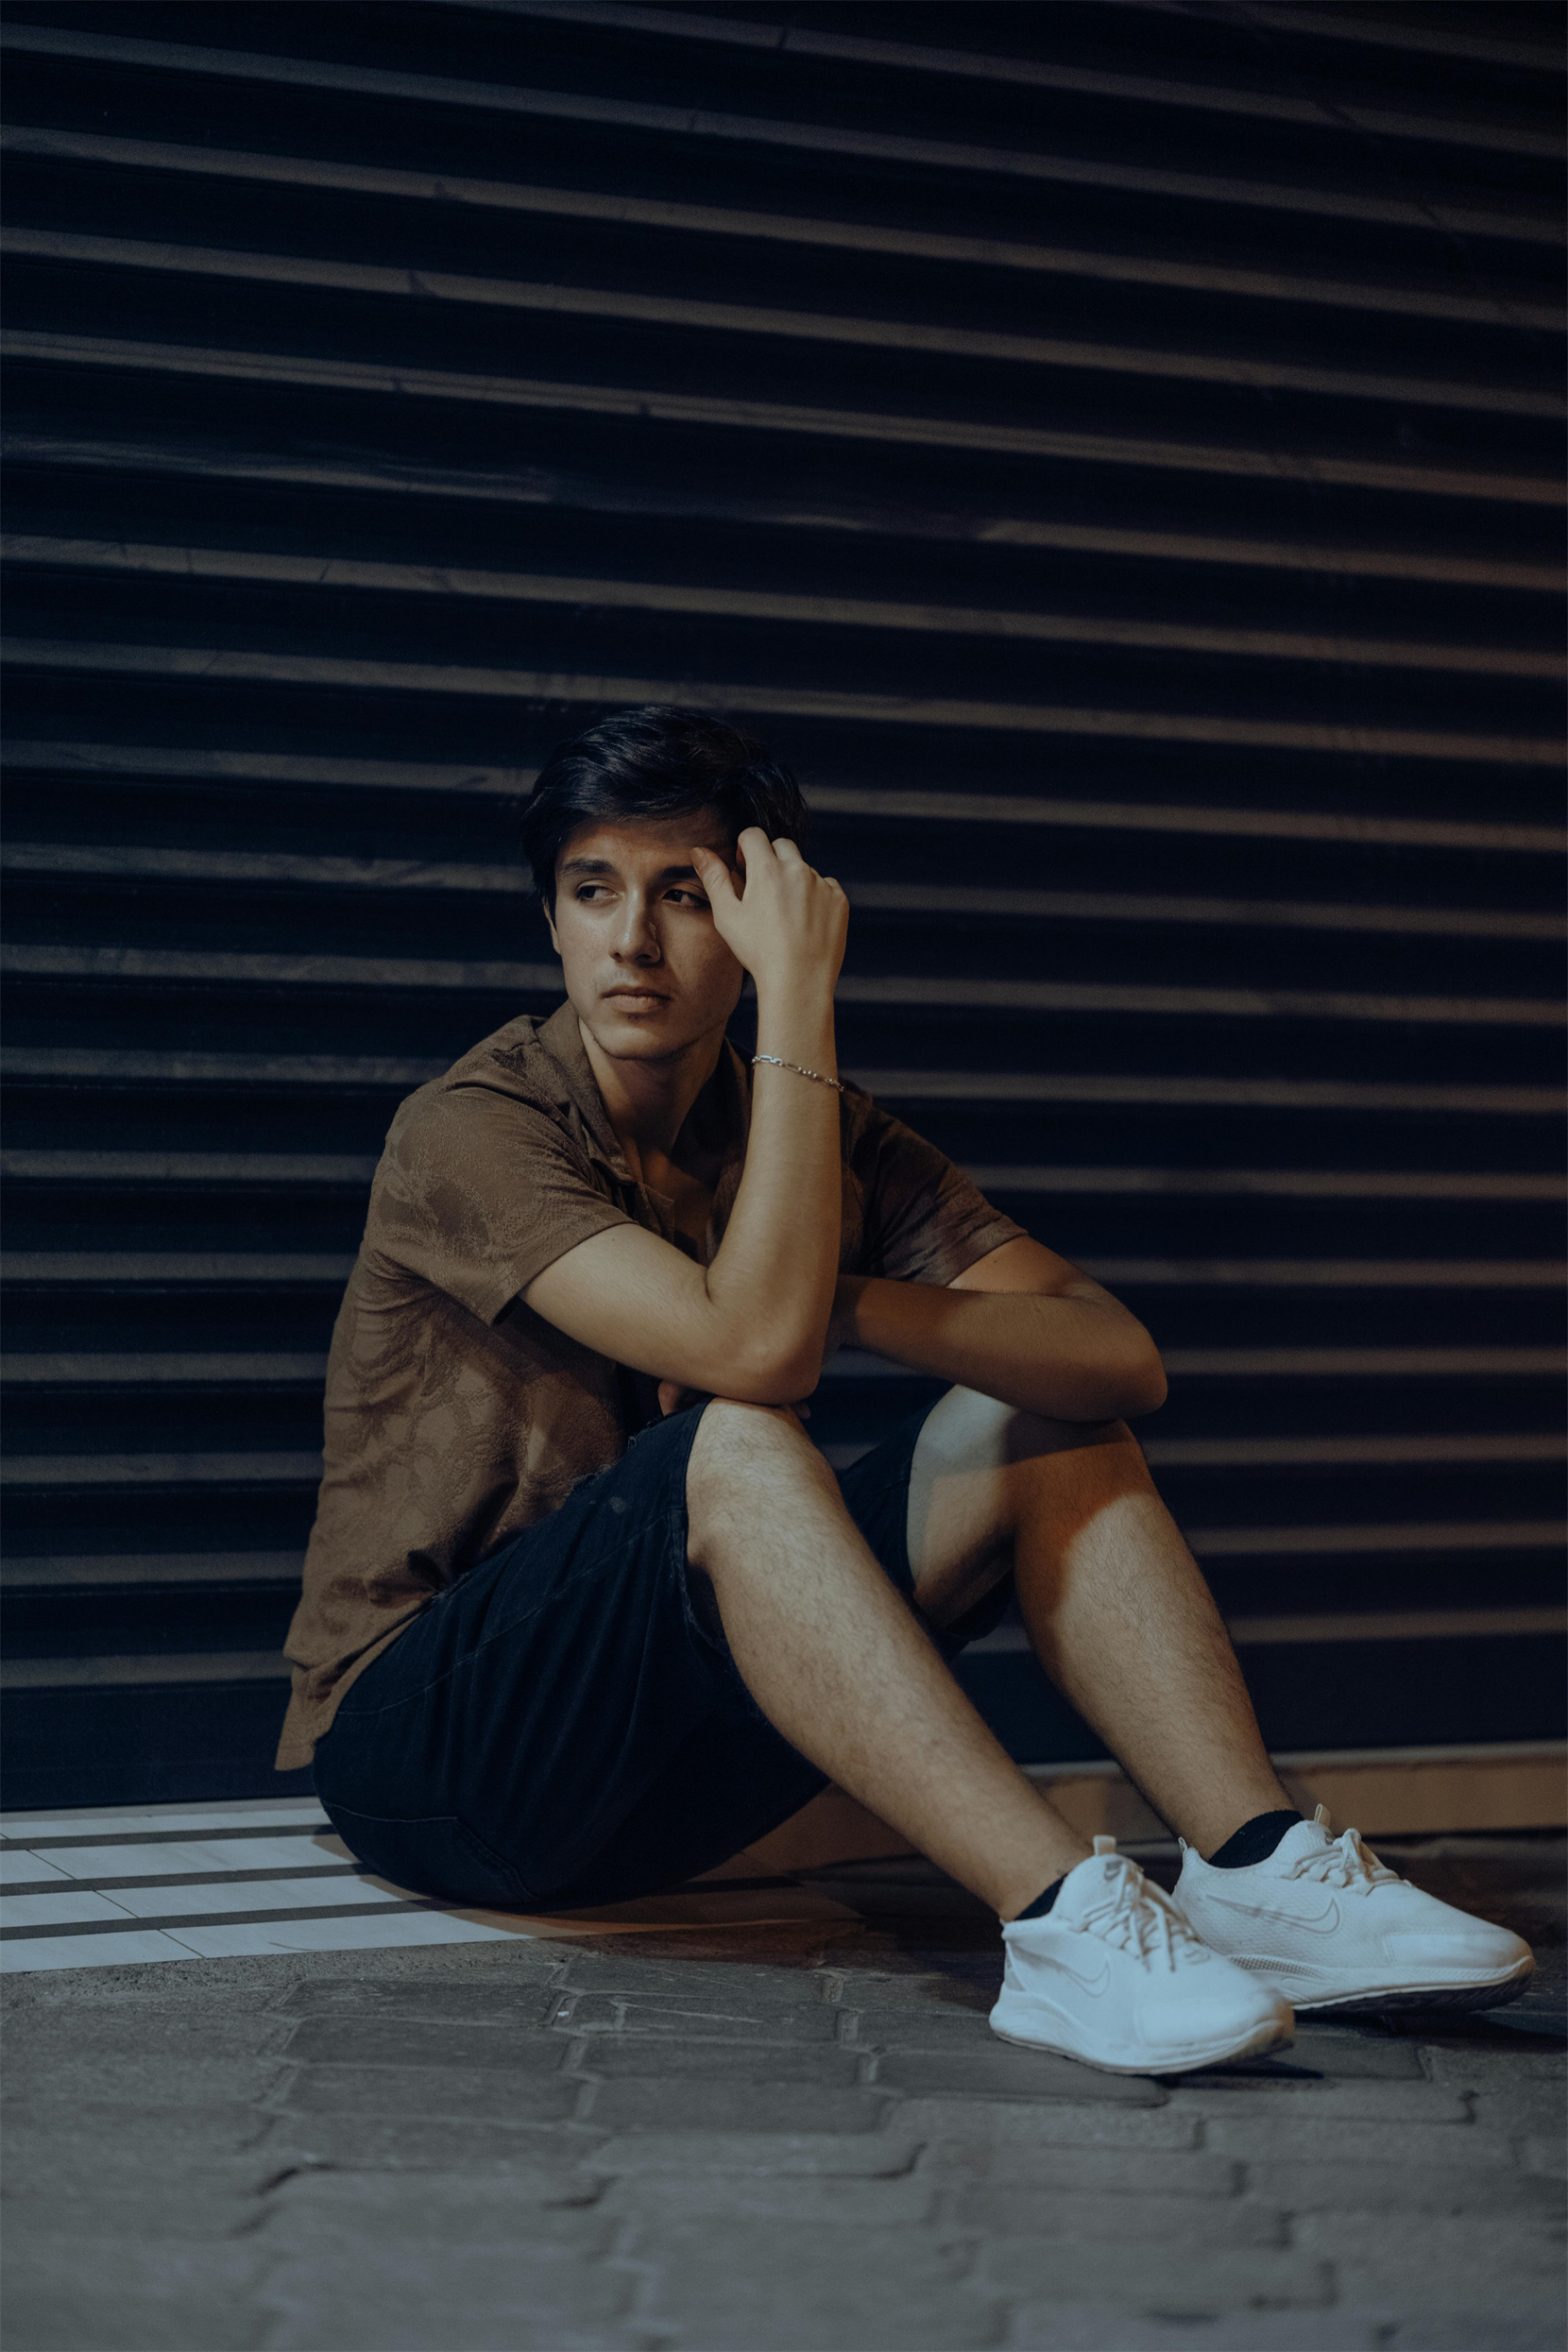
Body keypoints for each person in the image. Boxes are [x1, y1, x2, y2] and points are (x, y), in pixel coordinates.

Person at [277, 704, 1533, 2076]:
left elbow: (1115, 1354)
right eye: (593, 891)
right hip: (434, 1755)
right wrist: (802, 1011)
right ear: (553, 919)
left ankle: (1254, 1866)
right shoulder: (473, 1129)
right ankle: (1058, 1918)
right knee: (737, 1442)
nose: (631, 940)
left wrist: (849, 1287)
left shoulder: (813, 1132)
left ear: (763, 915)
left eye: (684, 895)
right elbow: (752, 1357)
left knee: (1039, 1422)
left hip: (657, 1775)